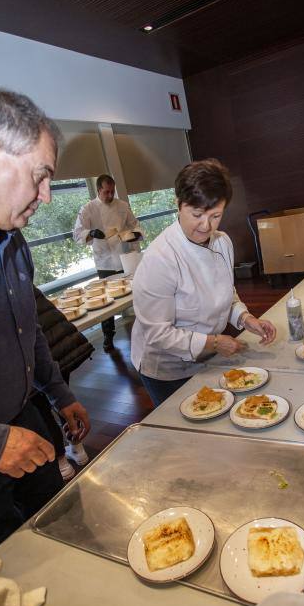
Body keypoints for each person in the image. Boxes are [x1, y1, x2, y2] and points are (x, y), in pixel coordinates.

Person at [0, 89, 90, 573]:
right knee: (0, 576)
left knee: (59, 533)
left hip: (24, 422)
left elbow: (26, 327)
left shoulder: (12, 239)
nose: (46, 196)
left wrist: (57, 391)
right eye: (40, 176)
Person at [131, 158, 277, 406]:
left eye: (216, 215)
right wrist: (215, 342)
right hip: (167, 367)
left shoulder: (222, 242)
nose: (206, 225)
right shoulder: (161, 258)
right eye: (197, 214)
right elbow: (157, 332)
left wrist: (245, 318)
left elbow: (225, 293)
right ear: (178, 204)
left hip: (207, 355)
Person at [31, 286, 95, 480]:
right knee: (63, 403)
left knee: (44, 412)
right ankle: (78, 448)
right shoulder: (19, 279)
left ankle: (61, 461)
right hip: (61, 348)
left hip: (38, 360)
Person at [73, 175, 142, 351]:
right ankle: (108, 337)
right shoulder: (88, 209)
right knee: (104, 301)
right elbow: (77, 233)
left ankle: (143, 328)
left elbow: (135, 225)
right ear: (98, 190)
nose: (110, 195)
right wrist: (91, 233)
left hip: (125, 257)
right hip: (104, 261)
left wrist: (134, 234)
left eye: (112, 191)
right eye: (106, 192)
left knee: (137, 294)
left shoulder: (122, 206)